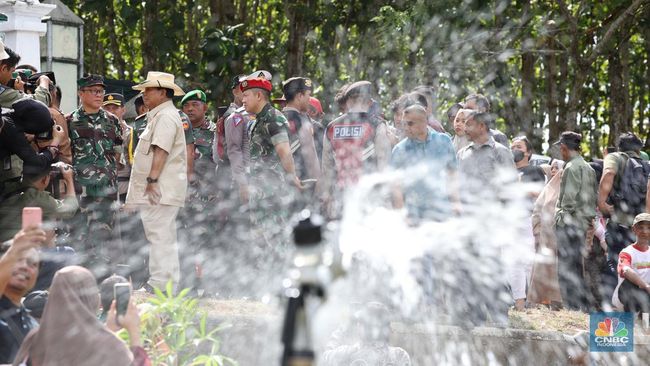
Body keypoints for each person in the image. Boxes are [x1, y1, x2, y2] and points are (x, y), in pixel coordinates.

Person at [11, 266, 150, 366]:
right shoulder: (107, 345)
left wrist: (108, 332)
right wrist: (134, 333)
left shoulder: (37, 338)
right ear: (92, 298)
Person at [127, 71, 187, 292]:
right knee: (162, 236)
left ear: (162, 92)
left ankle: (160, 285)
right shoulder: (161, 115)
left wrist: (152, 181)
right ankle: (166, 284)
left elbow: (160, 150)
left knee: (159, 236)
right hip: (161, 188)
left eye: (148, 89)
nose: (144, 94)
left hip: (159, 188)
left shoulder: (165, 116)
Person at [67, 74, 124, 279]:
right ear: (81, 93)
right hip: (81, 190)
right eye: (93, 91)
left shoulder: (112, 121)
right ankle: (81, 279)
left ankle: (102, 282)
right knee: (80, 236)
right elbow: (67, 155)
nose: (99, 95)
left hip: (106, 189)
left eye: (101, 91)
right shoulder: (70, 121)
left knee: (104, 236)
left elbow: (117, 152)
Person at [319, 81, 391, 218]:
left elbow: (327, 168)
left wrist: (327, 195)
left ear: (348, 102)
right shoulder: (376, 125)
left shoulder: (332, 127)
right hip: (368, 197)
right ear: (369, 102)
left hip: (340, 197)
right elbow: (383, 163)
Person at [390, 104, 459, 222]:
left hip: (442, 211)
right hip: (414, 215)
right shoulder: (399, 150)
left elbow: (452, 175)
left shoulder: (444, 141)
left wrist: (456, 203)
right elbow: (396, 187)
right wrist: (401, 215)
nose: (406, 127)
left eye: (410, 123)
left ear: (424, 122)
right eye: (404, 124)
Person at [554, 131, 597, 311]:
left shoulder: (571, 168)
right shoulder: (589, 168)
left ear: (564, 148)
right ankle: (579, 306)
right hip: (581, 225)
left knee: (565, 268)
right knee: (576, 266)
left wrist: (559, 219)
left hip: (569, 224)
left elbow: (568, 201)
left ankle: (571, 306)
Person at [598, 133, 649, 274]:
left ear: (619, 147)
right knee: (639, 267)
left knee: (616, 265)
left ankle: (616, 294)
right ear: (639, 149)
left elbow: (608, 173)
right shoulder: (646, 164)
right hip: (640, 228)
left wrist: (601, 203)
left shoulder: (615, 157)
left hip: (619, 224)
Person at [0, 227, 44, 364]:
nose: (24, 266)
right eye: (18, 259)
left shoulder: (32, 325)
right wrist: (14, 249)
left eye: (32, 264)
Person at [528, 159, 564, 308]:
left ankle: (558, 302)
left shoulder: (567, 188)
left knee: (558, 270)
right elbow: (537, 210)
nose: (554, 171)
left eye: (557, 168)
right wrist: (537, 232)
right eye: (552, 168)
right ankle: (541, 302)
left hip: (561, 239)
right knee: (543, 270)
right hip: (545, 238)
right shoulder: (547, 188)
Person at [281, 77, 321, 188]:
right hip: (302, 183)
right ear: (299, 96)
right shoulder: (303, 121)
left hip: (279, 184)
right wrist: (320, 185)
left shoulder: (276, 118)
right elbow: (310, 156)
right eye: (308, 95)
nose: (309, 99)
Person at [612, 213, 650, 313]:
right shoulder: (626, 252)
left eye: (648, 228)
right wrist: (646, 286)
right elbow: (625, 270)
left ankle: (645, 323)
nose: (645, 232)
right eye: (641, 228)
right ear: (634, 230)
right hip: (626, 299)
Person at [223, 75, 251, 205]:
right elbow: (233, 151)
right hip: (235, 178)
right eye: (242, 87)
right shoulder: (233, 115)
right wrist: (242, 182)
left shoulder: (251, 113)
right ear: (234, 91)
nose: (246, 90)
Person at [0, 41, 52, 108]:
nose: (11, 77)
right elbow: (39, 104)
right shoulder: (3, 93)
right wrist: (44, 81)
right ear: (4, 68)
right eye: (12, 72)